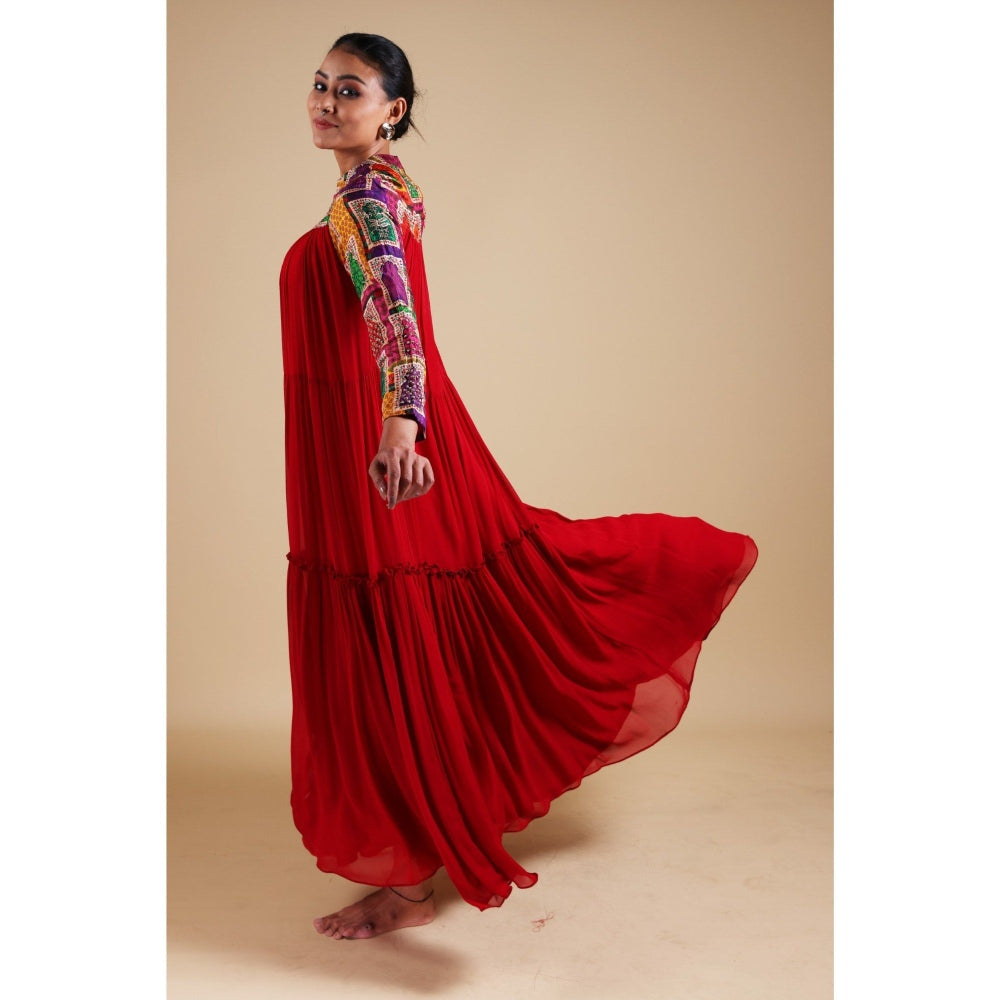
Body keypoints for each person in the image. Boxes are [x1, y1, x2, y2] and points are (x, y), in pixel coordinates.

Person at [280, 32, 758, 941]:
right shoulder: (381, 188)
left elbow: (395, 312)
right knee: (415, 629)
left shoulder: (368, 201)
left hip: (382, 445)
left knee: (399, 634)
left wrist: (400, 425)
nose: (326, 102)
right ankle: (417, 847)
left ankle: (408, 879)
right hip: (371, 434)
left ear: (393, 112)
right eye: (319, 85)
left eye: (350, 90)